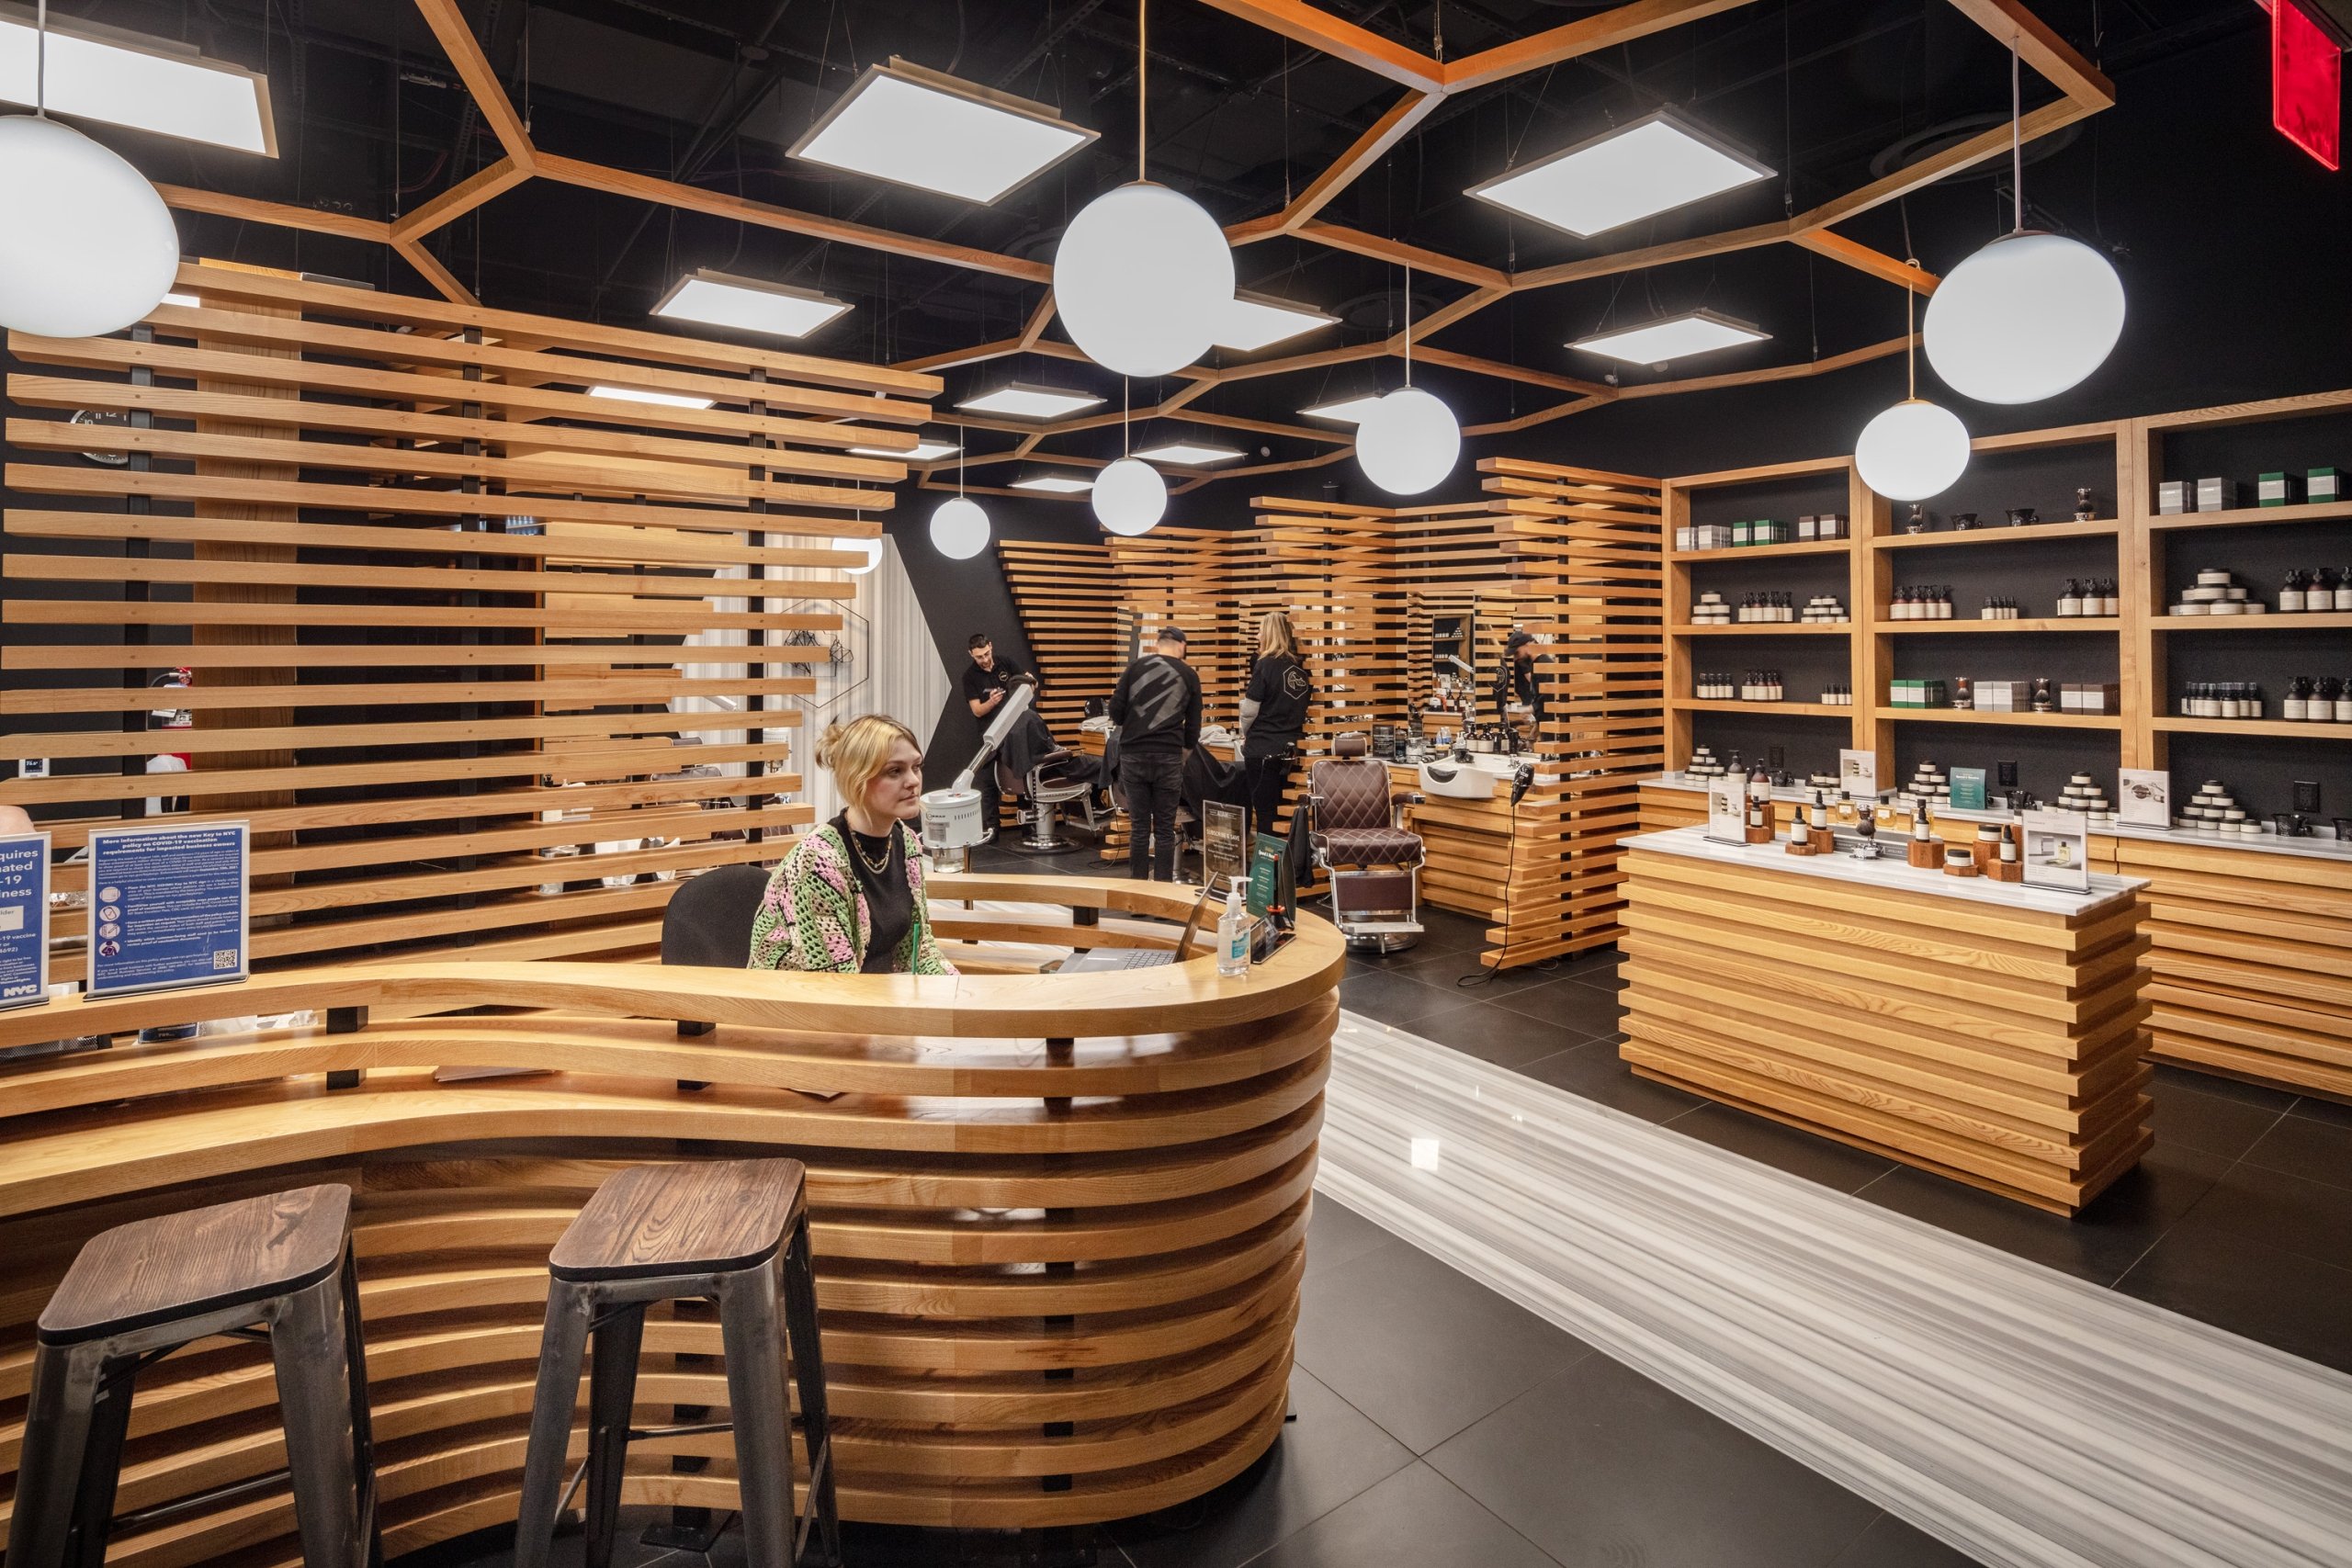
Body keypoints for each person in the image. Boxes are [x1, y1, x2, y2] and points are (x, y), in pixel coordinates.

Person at [748, 715, 956, 975]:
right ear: (857, 778)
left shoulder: (907, 843)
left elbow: (918, 949)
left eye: (916, 766)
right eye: (895, 771)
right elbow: (835, 981)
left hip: (868, 991)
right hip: (793, 1002)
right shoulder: (818, 862)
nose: (914, 781)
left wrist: (958, 995)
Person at [1108, 625, 1202, 881]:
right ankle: (1162, 893)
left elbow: (1115, 711)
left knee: (1139, 828)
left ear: (1158, 643)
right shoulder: (1189, 675)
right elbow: (1194, 727)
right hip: (1168, 757)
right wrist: (1182, 754)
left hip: (1134, 755)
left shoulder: (1135, 668)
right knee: (1164, 829)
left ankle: (1137, 893)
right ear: (1182, 645)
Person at [1238, 610, 1312, 841]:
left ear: (1269, 633)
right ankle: (1287, 872)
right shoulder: (1300, 668)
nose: (1258, 635)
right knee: (1285, 812)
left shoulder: (1264, 665)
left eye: (1260, 630)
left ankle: (1268, 874)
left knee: (1266, 814)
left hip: (1263, 749)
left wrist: (1245, 734)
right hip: (1291, 750)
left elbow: (1250, 710)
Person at [960, 633, 1032, 843]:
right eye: (979, 657)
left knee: (1021, 773)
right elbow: (977, 711)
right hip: (991, 732)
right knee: (990, 782)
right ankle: (993, 829)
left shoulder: (1006, 663)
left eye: (986, 654)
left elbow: (1027, 680)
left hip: (1016, 729)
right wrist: (991, 702)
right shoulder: (969, 677)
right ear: (971, 655)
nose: (984, 659)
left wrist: (1028, 685)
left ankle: (1028, 827)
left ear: (991, 646)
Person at [1493, 627, 1547, 736]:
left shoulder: (1544, 665)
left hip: (1552, 732)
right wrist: (1532, 736)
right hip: (1545, 731)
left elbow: (1548, 703)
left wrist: (1531, 708)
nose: (1516, 658)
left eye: (1517, 652)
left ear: (1527, 645)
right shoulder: (1535, 665)